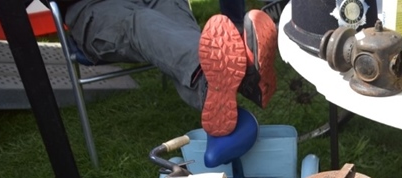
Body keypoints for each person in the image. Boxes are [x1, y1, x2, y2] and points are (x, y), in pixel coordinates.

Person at [39, 0, 277, 136]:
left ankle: (218, 81)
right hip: (95, 6)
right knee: (141, 22)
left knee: (173, 13)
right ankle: (236, 75)